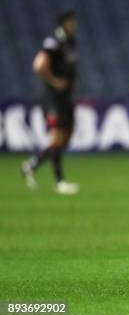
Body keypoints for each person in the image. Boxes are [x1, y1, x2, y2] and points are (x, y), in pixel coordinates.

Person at [20, 11, 80, 195]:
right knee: (57, 137)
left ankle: (32, 165)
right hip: (53, 98)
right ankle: (59, 181)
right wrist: (54, 81)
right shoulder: (53, 42)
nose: (73, 25)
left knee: (66, 136)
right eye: (70, 22)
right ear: (63, 23)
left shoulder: (71, 42)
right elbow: (39, 65)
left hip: (65, 97)